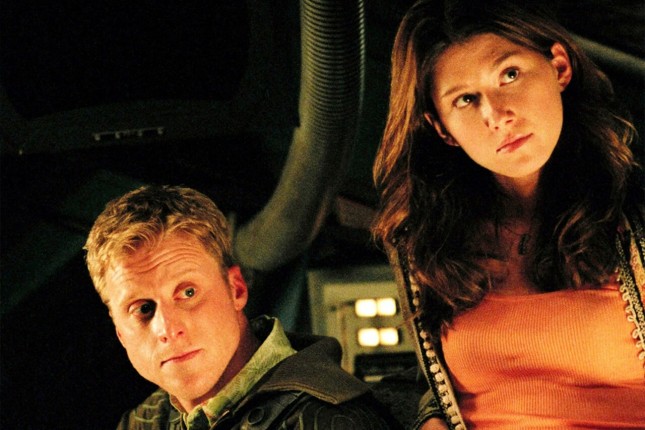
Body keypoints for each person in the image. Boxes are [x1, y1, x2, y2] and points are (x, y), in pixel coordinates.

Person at [371, 0, 645, 429]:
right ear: (442, 128)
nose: (497, 116)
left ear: (559, 67)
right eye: (465, 99)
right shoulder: (427, 242)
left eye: (510, 75)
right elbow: (430, 382)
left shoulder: (634, 217)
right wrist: (427, 417)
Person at [84, 184, 398, 430]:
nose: (167, 328)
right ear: (120, 333)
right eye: (143, 309)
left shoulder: (329, 420)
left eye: (188, 292)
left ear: (236, 289)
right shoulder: (145, 421)